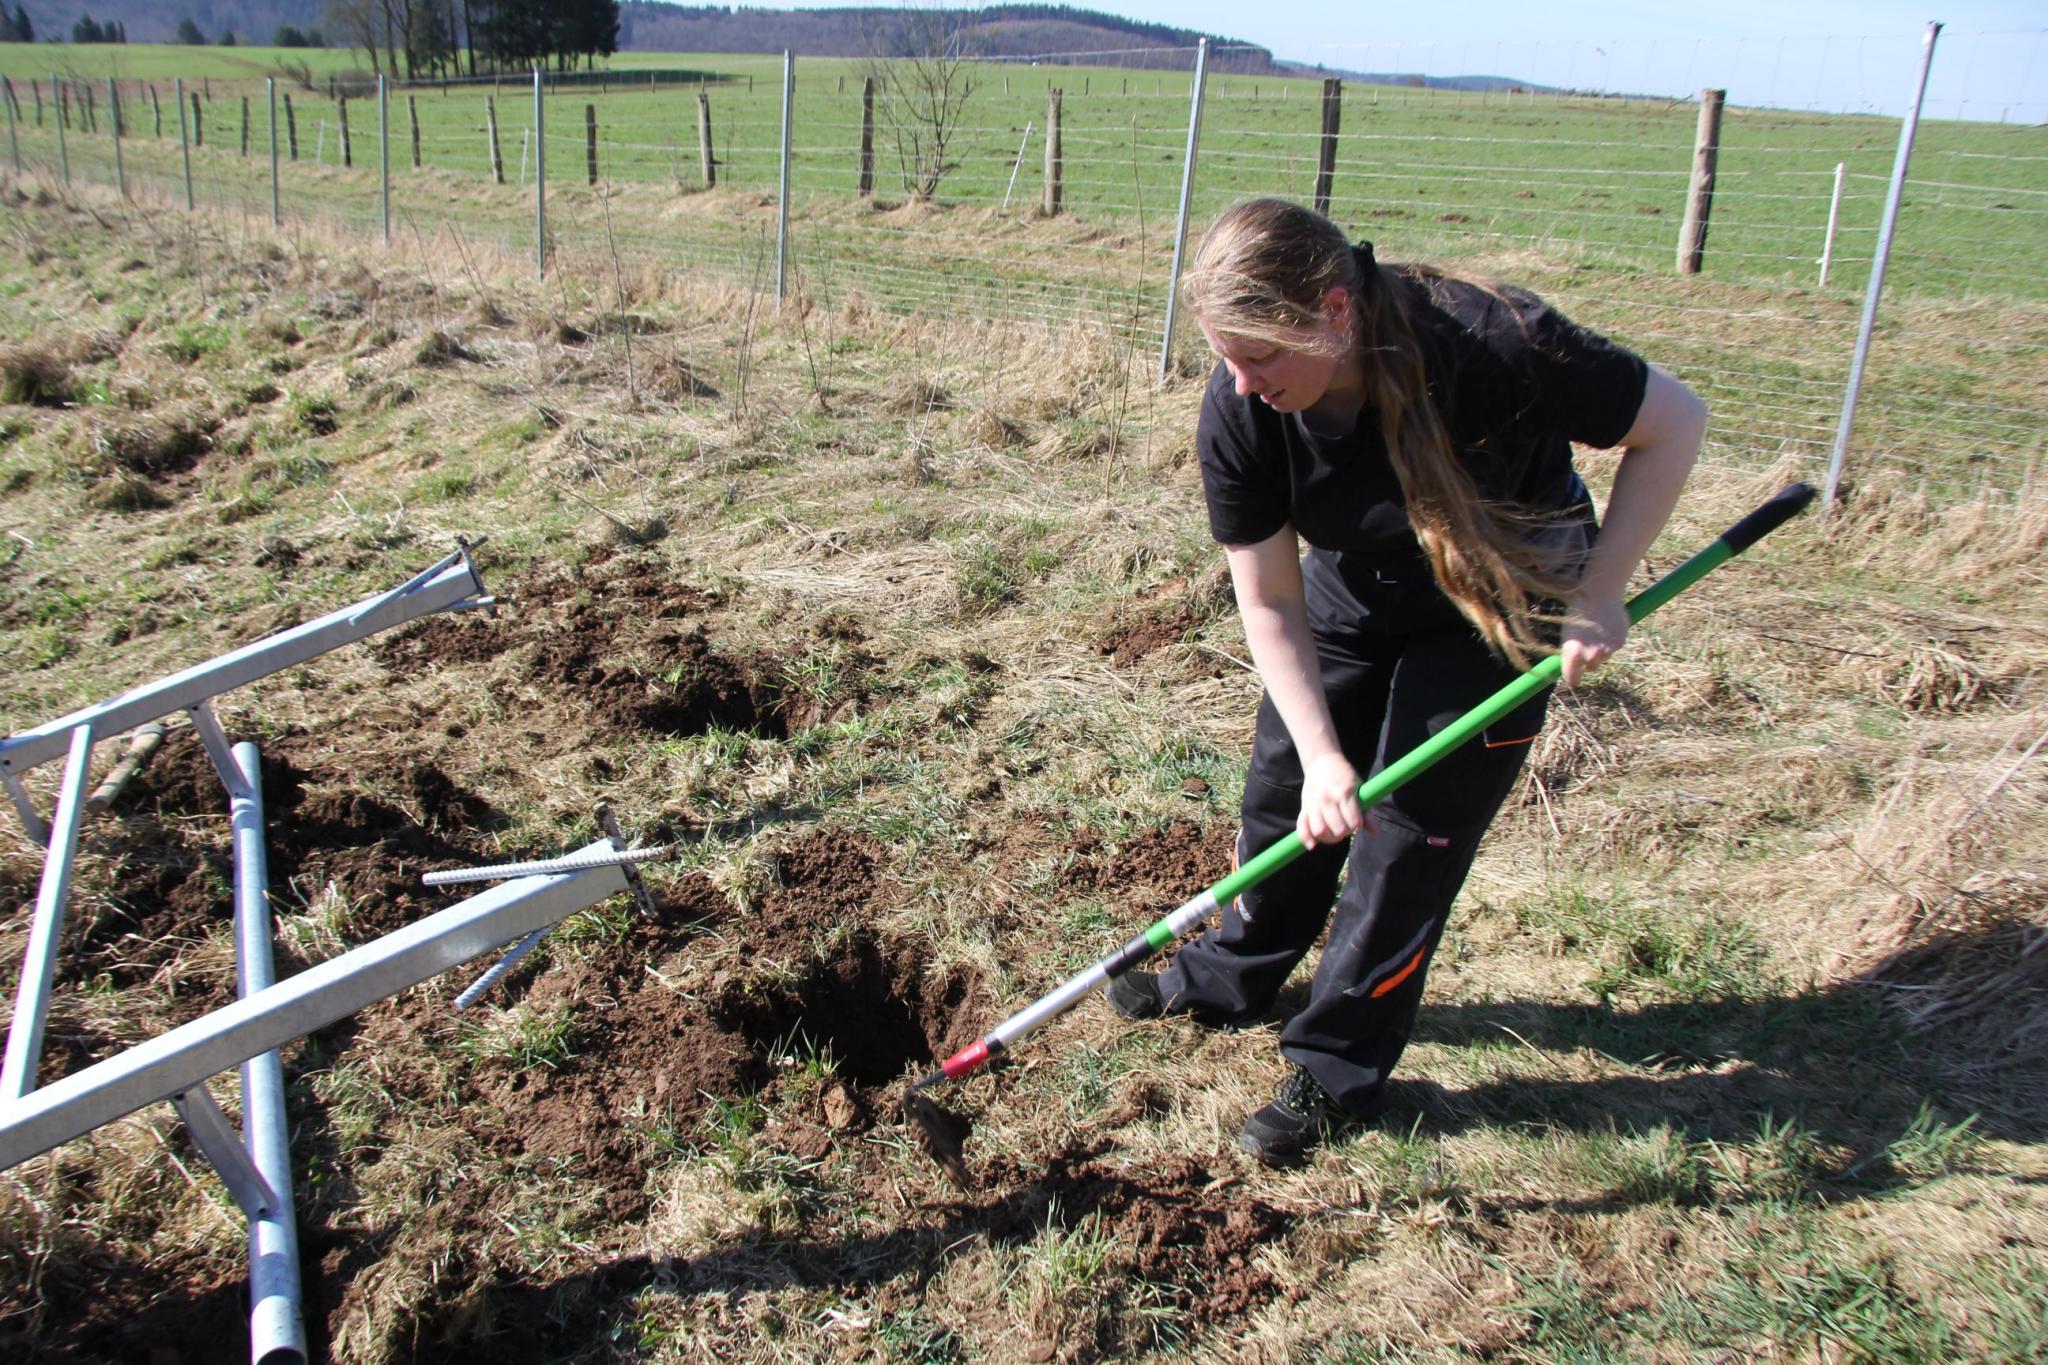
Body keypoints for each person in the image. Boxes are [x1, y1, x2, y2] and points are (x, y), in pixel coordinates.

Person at [1106, 198, 1704, 1166]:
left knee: (1404, 838)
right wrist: (1318, 759)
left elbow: (1674, 423)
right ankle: (1233, 970)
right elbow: (1268, 604)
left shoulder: (1498, 346)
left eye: (1258, 357)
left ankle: (1337, 1066)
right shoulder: (1241, 411)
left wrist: (1599, 594)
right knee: (1283, 793)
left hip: (1500, 593)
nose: (1239, 382)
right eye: (1225, 356)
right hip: (1356, 583)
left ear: (1333, 313)